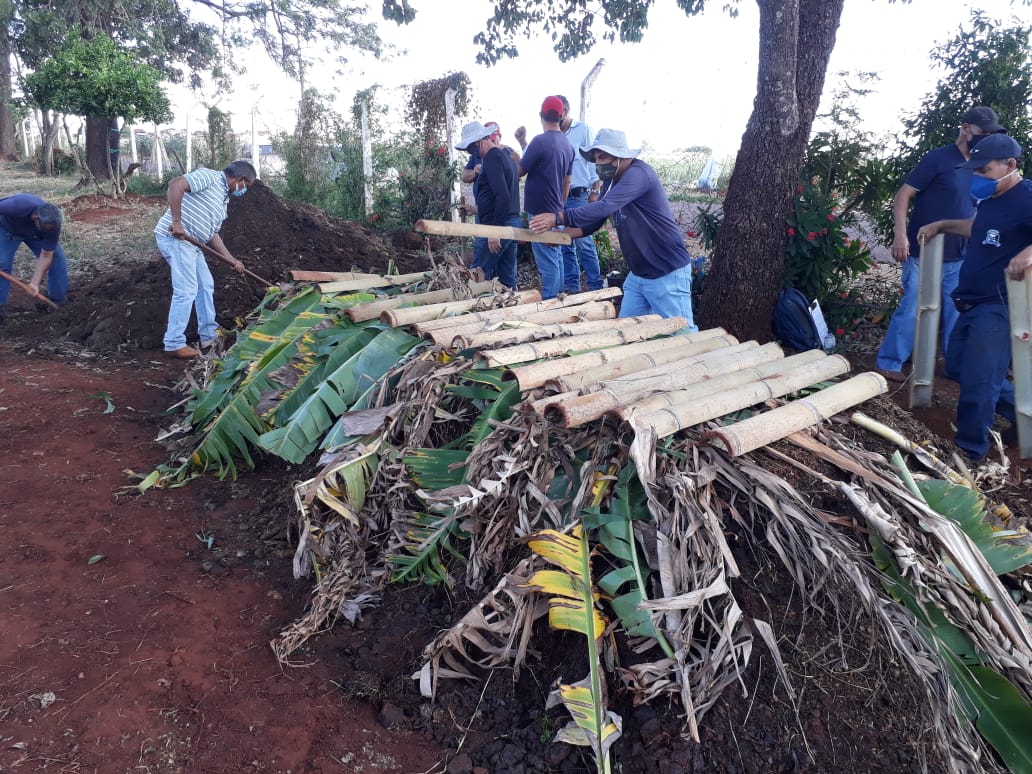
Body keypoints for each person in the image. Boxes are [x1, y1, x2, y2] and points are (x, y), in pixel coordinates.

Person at [917, 133, 1032, 462]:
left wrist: (1029, 252)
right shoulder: (992, 201)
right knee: (957, 366)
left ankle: (970, 451)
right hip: (970, 302)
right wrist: (943, 224)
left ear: (1010, 165)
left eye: (984, 171)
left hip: (998, 306)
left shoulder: (1026, 197)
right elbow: (977, 228)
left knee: (980, 382)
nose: (977, 178)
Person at [875, 106, 1003, 382]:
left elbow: (981, 210)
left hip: (960, 256)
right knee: (911, 307)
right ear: (966, 128)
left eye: (991, 134)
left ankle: (954, 366)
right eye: (984, 132)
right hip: (923, 251)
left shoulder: (984, 167)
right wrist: (901, 236)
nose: (987, 138)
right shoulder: (938, 159)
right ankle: (890, 362)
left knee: (957, 313)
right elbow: (902, 196)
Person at [529, 128, 697, 330]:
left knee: (680, 333)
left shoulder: (638, 174)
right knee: (626, 332)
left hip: (666, 271)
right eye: (596, 158)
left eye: (603, 156)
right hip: (640, 273)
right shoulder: (611, 182)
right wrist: (567, 234)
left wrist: (558, 217)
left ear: (620, 156)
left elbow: (604, 207)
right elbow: (597, 218)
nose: (599, 163)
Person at [153, 160, 254, 358]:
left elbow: (212, 234)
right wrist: (177, 222)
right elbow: (176, 184)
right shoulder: (210, 177)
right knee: (187, 289)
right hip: (176, 239)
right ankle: (174, 342)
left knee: (205, 285)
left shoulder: (223, 199)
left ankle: (209, 336)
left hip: (193, 244)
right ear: (240, 179)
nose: (244, 191)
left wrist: (231, 259)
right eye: (245, 186)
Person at [517, 96, 575, 299]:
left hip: (540, 213)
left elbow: (519, 172)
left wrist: (509, 160)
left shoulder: (539, 141)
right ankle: (559, 298)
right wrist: (560, 209)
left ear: (541, 115)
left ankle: (550, 303)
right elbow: (567, 182)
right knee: (555, 256)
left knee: (548, 263)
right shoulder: (567, 146)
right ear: (561, 116)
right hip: (556, 211)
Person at [455, 121, 521, 289]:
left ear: (479, 142)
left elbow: (503, 196)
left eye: (470, 148)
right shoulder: (504, 157)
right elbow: (497, 197)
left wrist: (494, 231)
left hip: (497, 225)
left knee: (479, 274)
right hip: (510, 223)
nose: (471, 153)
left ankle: (474, 312)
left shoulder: (492, 158)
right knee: (506, 279)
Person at [557, 96, 603, 293]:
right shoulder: (554, 134)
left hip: (581, 195)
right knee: (565, 243)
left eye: (558, 116)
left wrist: (595, 190)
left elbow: (596, 161)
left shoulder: (583, 130)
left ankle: (595, 287)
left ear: (566, 111)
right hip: (561, 198)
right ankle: (573, 287)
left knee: (584, 244)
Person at [0, 194, 69, 322]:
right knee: (1, 263)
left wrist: (34, 283)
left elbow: (47, 255)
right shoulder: (18, 205)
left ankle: (59, 303)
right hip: (6, 229)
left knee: (56, 259)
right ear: (36, 218)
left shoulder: (52, 224)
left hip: (34, 235)